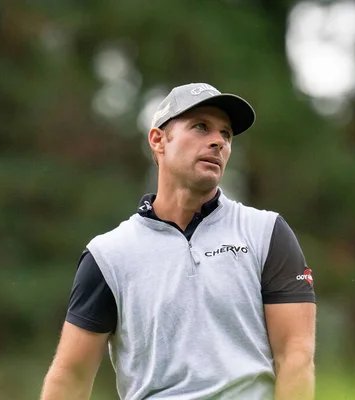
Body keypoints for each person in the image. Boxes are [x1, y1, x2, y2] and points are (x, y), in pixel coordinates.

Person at [40, 83, 317, 400]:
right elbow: (71, 377)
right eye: (201, 127)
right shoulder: (108, 255)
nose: (218, 142)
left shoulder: (266, 232)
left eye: (226, 134)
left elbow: (295, 357)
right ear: (158, 140)